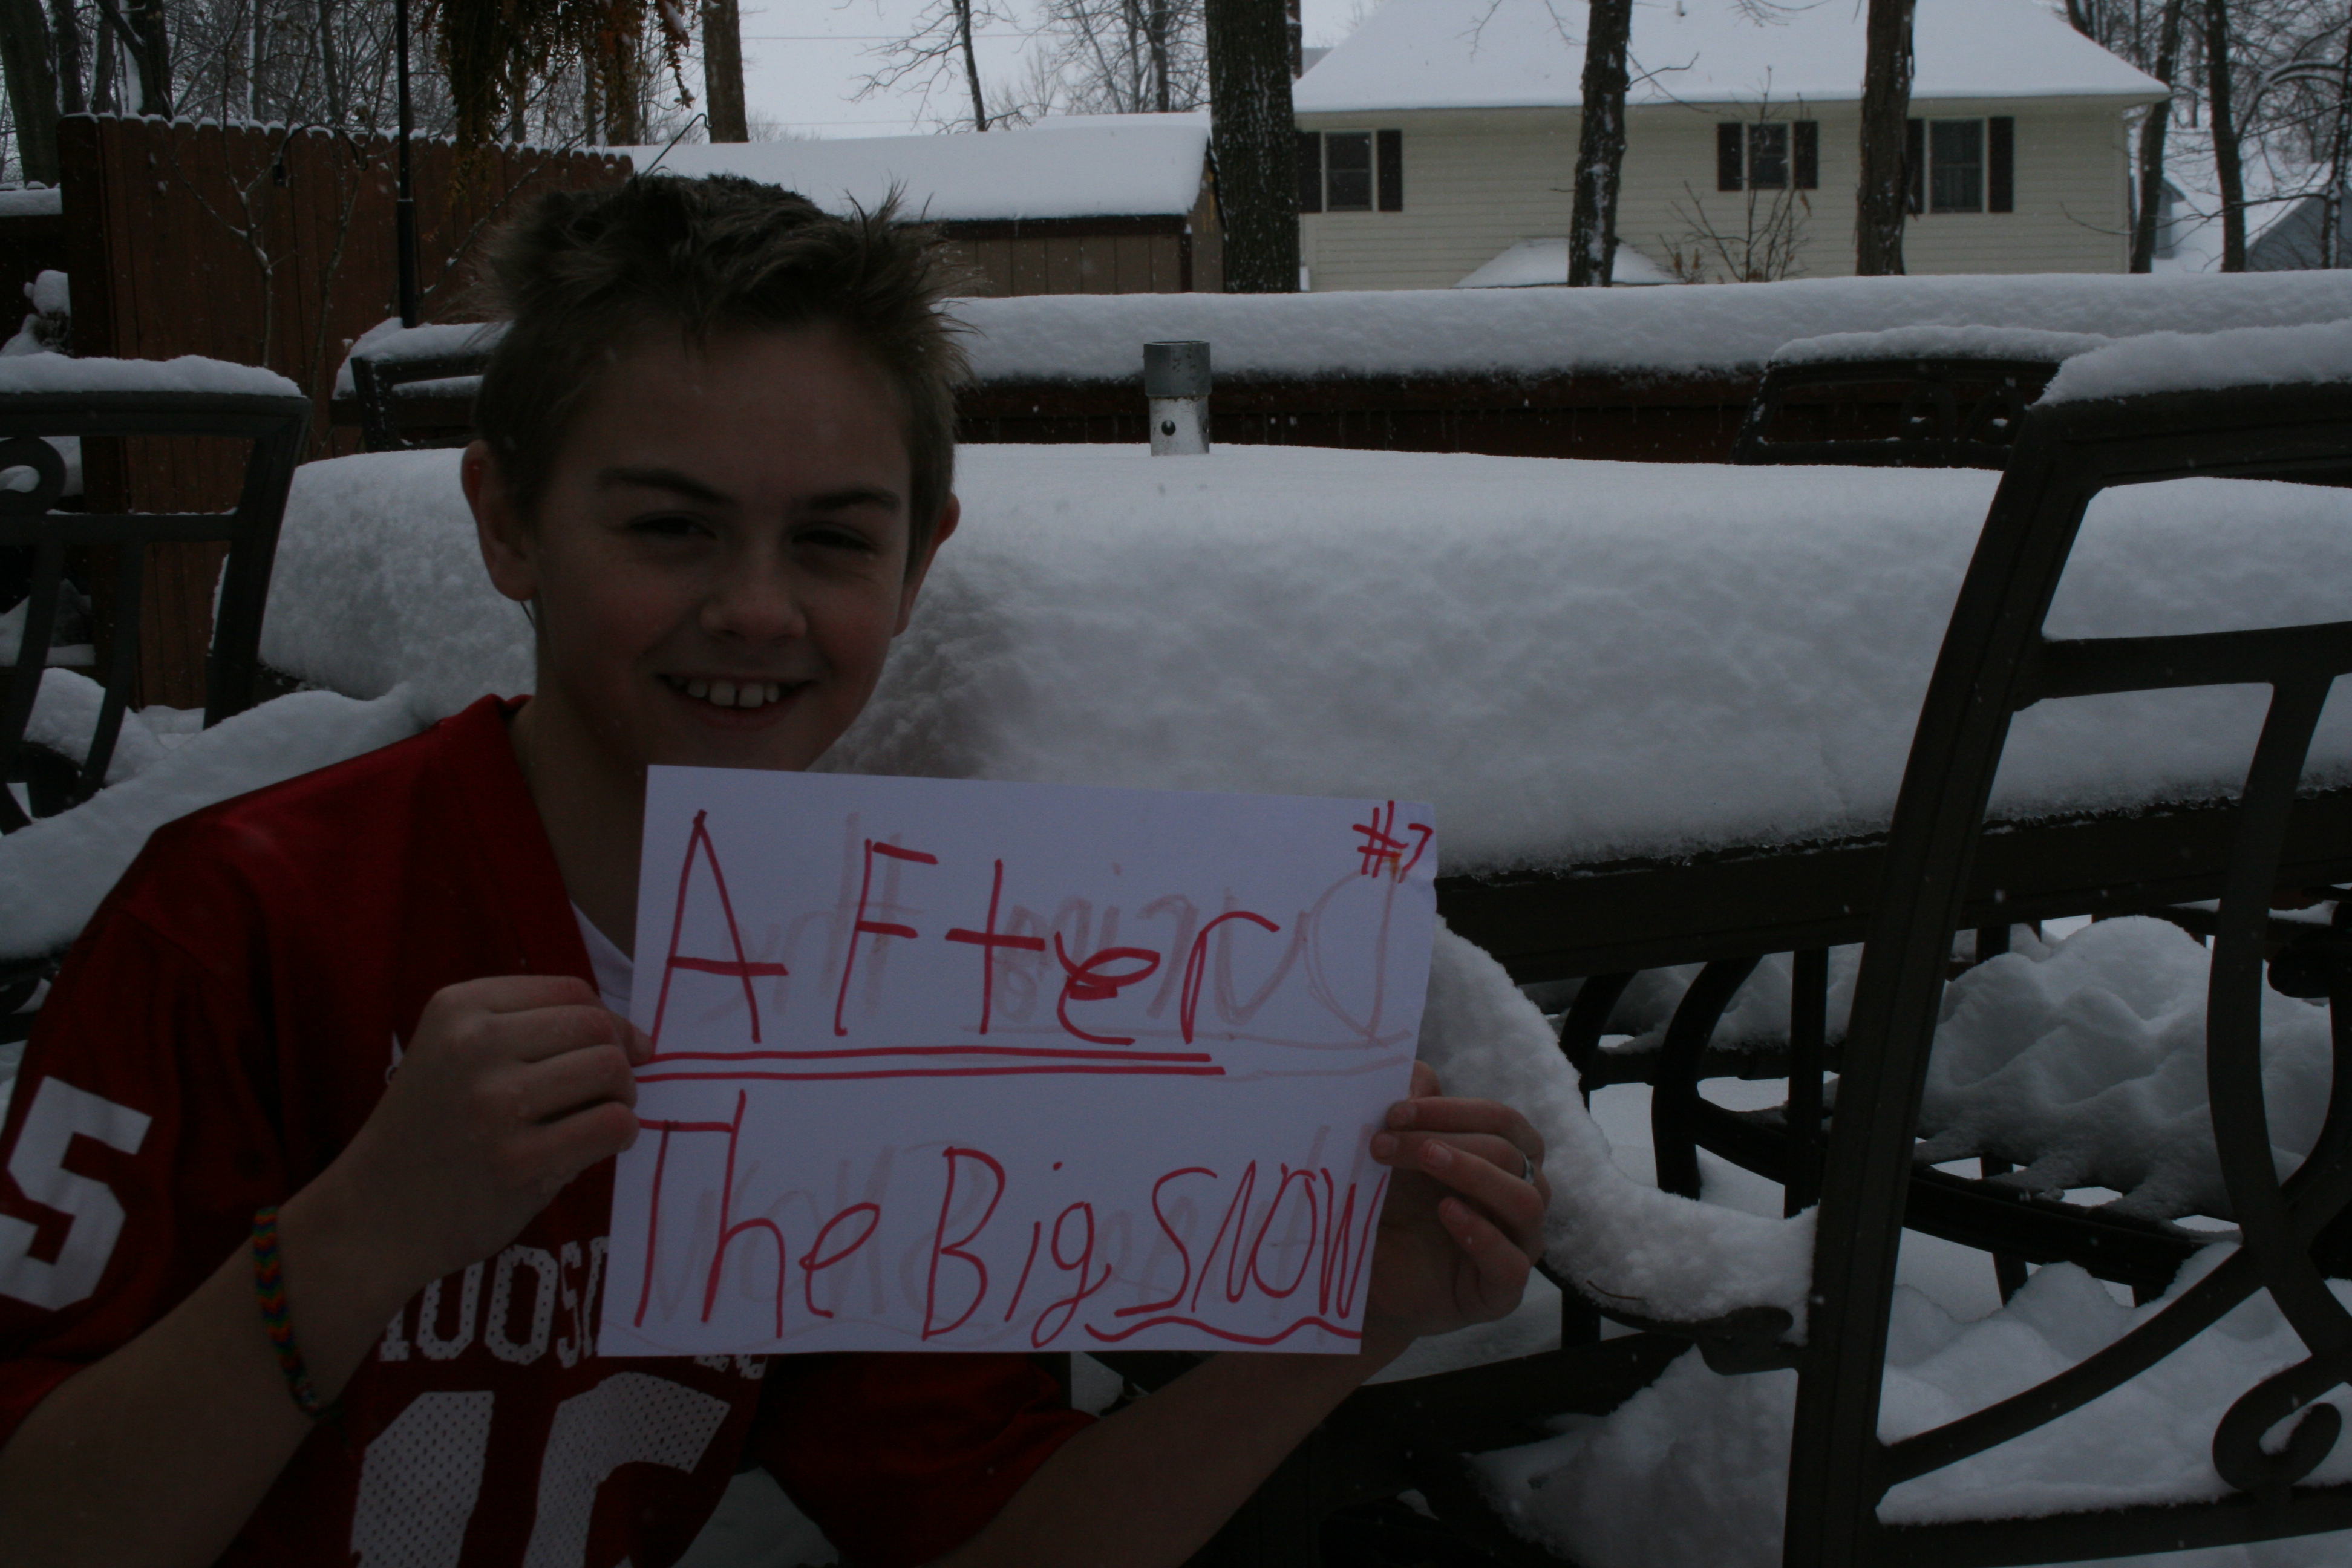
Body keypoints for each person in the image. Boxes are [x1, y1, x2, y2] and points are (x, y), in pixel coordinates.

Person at [0, 174, 1552, 1567]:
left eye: (831, 541)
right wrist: (362, 1234)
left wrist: (1351, 1325)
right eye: (672, 527)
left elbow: (994, 1536)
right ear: (509, 523)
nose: (756, 608)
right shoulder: (241, 920)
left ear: (919, 559)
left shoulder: (900, 989)